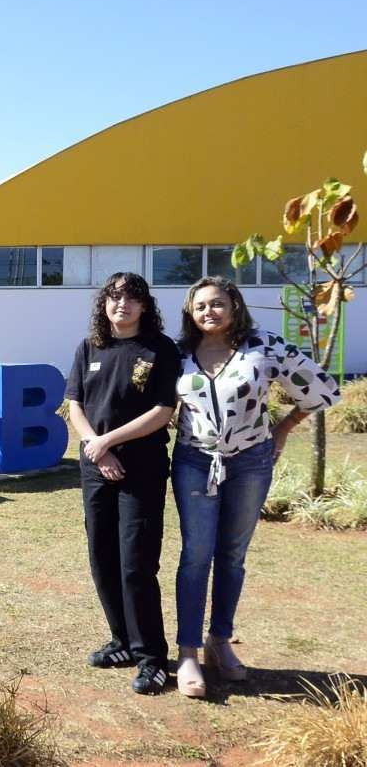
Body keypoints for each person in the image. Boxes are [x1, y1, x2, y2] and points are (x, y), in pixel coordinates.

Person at [171, 276, 341, 698]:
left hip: (251, 462)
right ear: (190, 313)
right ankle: (188, 652)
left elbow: (319, 387)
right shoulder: (178, 354)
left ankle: (220, 641)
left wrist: (283, 430)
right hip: (195, 461)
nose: (209, 312)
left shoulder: (264, 345)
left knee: (232, 555)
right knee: (196, 555)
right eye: (200, 306)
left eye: (217, 303)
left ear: (234, 304)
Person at [65, 272, 179, 695]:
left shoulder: (159, 349)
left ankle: (152, 658)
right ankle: (122, 642)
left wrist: (109, 442)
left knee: (136, 564)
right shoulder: (90, 346)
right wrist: (98, 448)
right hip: (97, 466)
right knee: (103, 559)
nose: (122, 305)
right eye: (114, 298)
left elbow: (163, 411)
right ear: (104, 304)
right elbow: (74, 403)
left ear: (145, 306)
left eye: (132, 298)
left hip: (141, 468)